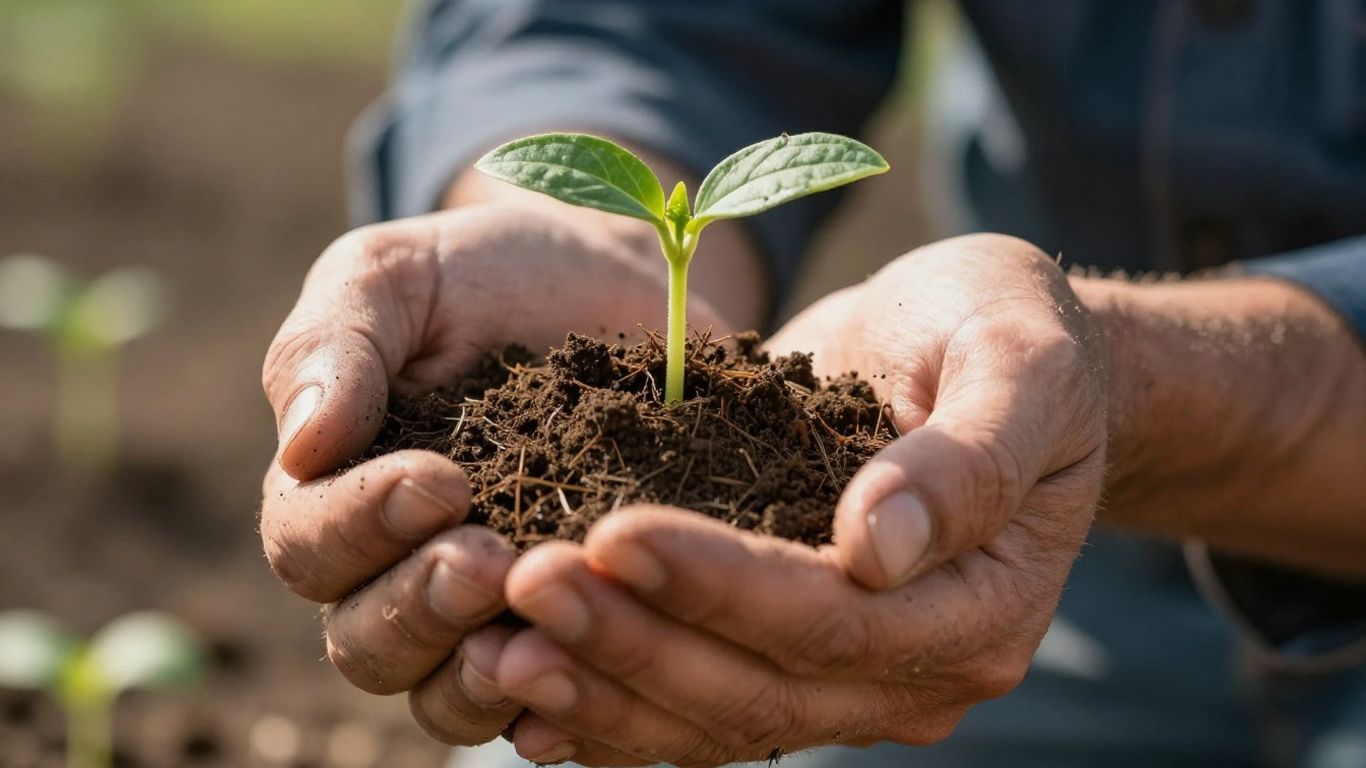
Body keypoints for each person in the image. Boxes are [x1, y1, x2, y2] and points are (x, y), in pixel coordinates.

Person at [259, 2, 1366, 766]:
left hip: (1037, 489)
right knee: (583, 694)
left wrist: (1136, 386)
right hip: (1017, 546)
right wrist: (572, 225)